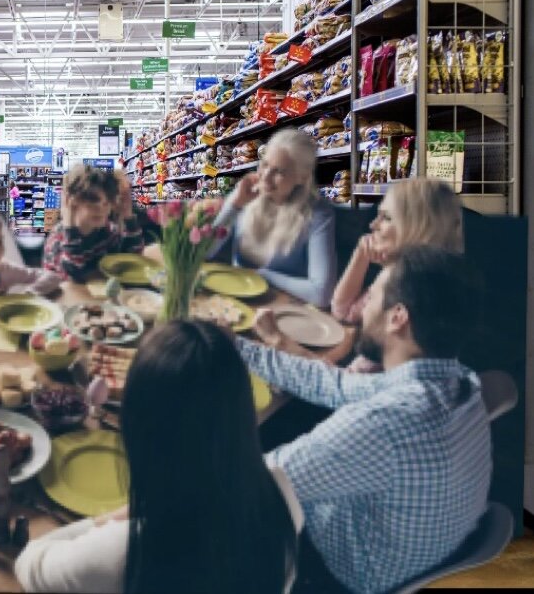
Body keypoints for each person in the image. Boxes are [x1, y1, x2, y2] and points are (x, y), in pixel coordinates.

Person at [238, 246, 491, 594]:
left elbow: (250, 482)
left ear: (397, 317)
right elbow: (337, 384)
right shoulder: (462, 382)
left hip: (343, 579)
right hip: (431, 559)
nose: (364, 305)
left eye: (373, 294)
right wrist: (240, 349)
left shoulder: (384, 423)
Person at [15, 320, 303, 594]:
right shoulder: (281, 491)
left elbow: (30, 564)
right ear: (241, 411)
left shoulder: (123, 550)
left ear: (138, 424)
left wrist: (107, 520)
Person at [258, 177, 464, 372]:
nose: (373, 225)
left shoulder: (408, 300)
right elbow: (343, 312)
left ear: (418, 227)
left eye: (386, 217)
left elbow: (343, 386)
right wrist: (360, 255)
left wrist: (279, 341)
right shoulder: (404, 278)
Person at [210, 128, 337, 307]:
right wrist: (234, 206)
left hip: (284, 310)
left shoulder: (318, 213)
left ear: (302, 177)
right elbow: (202, 252)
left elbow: (322, 293)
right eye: (265, 165)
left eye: (279, 172)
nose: (266, 178)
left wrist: (261, 275)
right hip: (234, 302)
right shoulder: (245, 194)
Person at [42, 165, 144, 282]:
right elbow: (74, 275)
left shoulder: (107, 230)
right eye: (92, 200)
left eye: (106, 202)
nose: (101, 209)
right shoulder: (57, 241)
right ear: (72, 202)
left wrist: (128, 214)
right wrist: (69, 223)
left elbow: (132, 257)